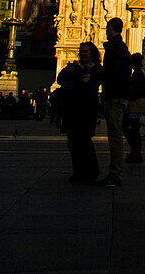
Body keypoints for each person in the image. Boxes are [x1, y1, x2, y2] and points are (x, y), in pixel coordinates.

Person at [57, 42, 103, 183]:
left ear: (92, 54)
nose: (83, 54)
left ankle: (91, 171)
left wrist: (93, 76)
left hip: (87, 109)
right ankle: (78, 170)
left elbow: (104, 79)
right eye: (81, 51)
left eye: (86, 52)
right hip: (72, 108)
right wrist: (68, 70)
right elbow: (60, 80)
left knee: (84, 141)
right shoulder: (73, 67)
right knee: (72, 142)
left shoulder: (96, 69)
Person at [99, 17, 131, 187]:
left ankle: (115, 173)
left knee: (115, 137)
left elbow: (113, 73)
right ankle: (114, 171)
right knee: (115, 136)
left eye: (106, 27)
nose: (105, 30)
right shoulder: (122, 48)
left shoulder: (114, 48)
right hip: (118, 96)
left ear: (111, 28)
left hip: (114, 96)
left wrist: (97, 74)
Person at [124, 52, 145, 163]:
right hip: (137, 104)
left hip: (135, 105)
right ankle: (135, 153)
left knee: (131, 129)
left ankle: (135, 153)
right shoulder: (139, 73)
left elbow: (135, 89)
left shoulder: (137, 74)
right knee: (134, 130)